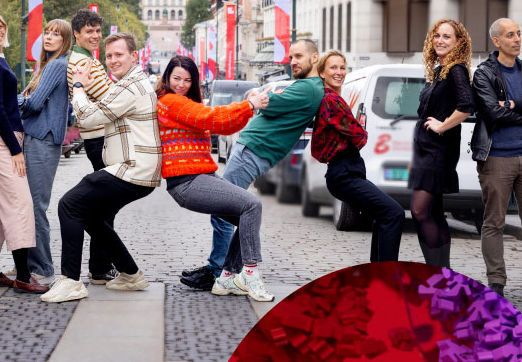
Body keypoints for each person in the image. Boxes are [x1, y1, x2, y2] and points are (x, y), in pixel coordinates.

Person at [181, 39, 325, 290]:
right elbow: (264, 104)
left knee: (227, 212)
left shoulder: (307, 88)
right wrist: (266, 99)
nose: (293, 62)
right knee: (235, 211)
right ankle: (225, 272)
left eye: (299, 56)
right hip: (253, 150)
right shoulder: (303, 86)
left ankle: (219, 271)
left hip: (252, 150)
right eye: (291, 57)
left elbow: (266, 106)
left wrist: (268, 98)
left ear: (315, 58)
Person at [43, 33, 161, 303]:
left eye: (119, 55)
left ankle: (71, 281)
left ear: (134, 56)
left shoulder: (131, 86)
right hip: (139, 169)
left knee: (69, 205)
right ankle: (131, 274)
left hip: (133, 169)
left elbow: (88, 117)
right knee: (93, 218)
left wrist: (79, 85)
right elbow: (103, 108)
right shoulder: (128, 84)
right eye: (108, 56)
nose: (112, 60)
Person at [154, 55, 273, 301]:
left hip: (202, 177)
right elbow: (211, 118)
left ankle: (228, 276)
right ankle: (249, 273)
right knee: (252, 204)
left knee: (246, 216)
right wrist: (250, 105)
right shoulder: (169, 101)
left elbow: (223, 126)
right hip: (187, 182)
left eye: (187, 80)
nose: (181, 84)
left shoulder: (186, 103)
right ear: (167, 78)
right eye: (176, 78)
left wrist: (246, 108)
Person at [0, 11, 48, 294]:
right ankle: (24, 275)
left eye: (0, 26)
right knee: (20, 203)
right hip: (0, 141)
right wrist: (15, 149)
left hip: (0, 139)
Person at [311, 50, 404, 263]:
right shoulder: (331, 101)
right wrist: (360, 131)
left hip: (347, 171)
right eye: (333, 68)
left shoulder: (334, 99)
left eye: (342, 68)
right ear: (322, 73)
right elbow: (359, 136)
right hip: (344, 173)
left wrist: (358, 131)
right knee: (394, 214)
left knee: (385, 215)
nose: (339, 72)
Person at [471, 18, 522, 295]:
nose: (517, 39)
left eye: (519, 34)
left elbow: (508, 109)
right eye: (510, 35)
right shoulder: (484, 73)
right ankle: (496, 282)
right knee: (494, 221)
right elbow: (491, 113)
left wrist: (513, 103)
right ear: (497, 41)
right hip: (496, 157)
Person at [410, 19, 474, 268]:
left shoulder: (456, 69)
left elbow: (467, 106)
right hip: (425, 150)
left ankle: (436, 273)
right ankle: (443, 274)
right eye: (437, 35)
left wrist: (442, 125)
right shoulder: (440, 70)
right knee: (434, 213)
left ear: (459, 42)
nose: (440, 40)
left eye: (447, 37)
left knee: (419, 212)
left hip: (437, 151)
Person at [65, 8, 120, 284]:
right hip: (101, 139)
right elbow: (111, 98)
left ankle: (100, 264)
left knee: (106, 202)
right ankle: (99, 267)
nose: (95, 36)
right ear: (76, 34)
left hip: (97, 137)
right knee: (106, 204)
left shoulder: (86, 60)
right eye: (89, 31)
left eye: (98, 31)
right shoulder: (83, 64)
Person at [18, 19, 72, 282]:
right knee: (31, 203)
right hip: (41, 137)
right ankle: (32, 264)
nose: (49, 37)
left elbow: (34, 103)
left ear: (65, 41)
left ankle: (43, 267)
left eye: (56, 35)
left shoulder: (57, 65)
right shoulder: (47, 65)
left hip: (42, 137)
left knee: (35, 205)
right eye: (47, 32)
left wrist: (10, 98)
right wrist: (24, 99)